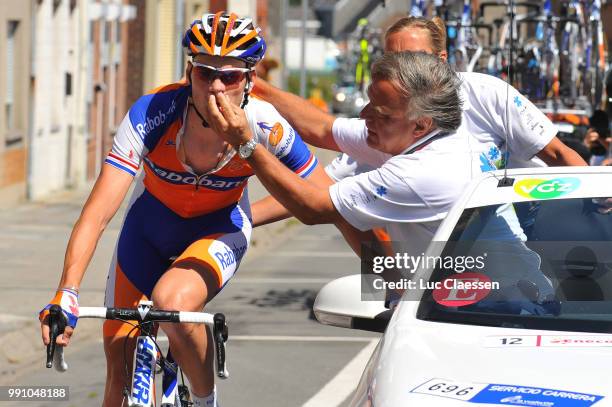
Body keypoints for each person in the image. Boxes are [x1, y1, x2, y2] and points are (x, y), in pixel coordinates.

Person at [39, 12, 328, 407]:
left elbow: (324, 197)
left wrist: (252, 209)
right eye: (205, 72)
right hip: (149, 228)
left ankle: (205, 399)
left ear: (250, 81)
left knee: (172, 300)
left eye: (230, 76)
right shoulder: (153, 112)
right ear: (189, 72)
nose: (215, 86)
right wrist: (66, 292)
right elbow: (98, 212)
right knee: (118, 365)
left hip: (218, 228)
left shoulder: (265, 124)